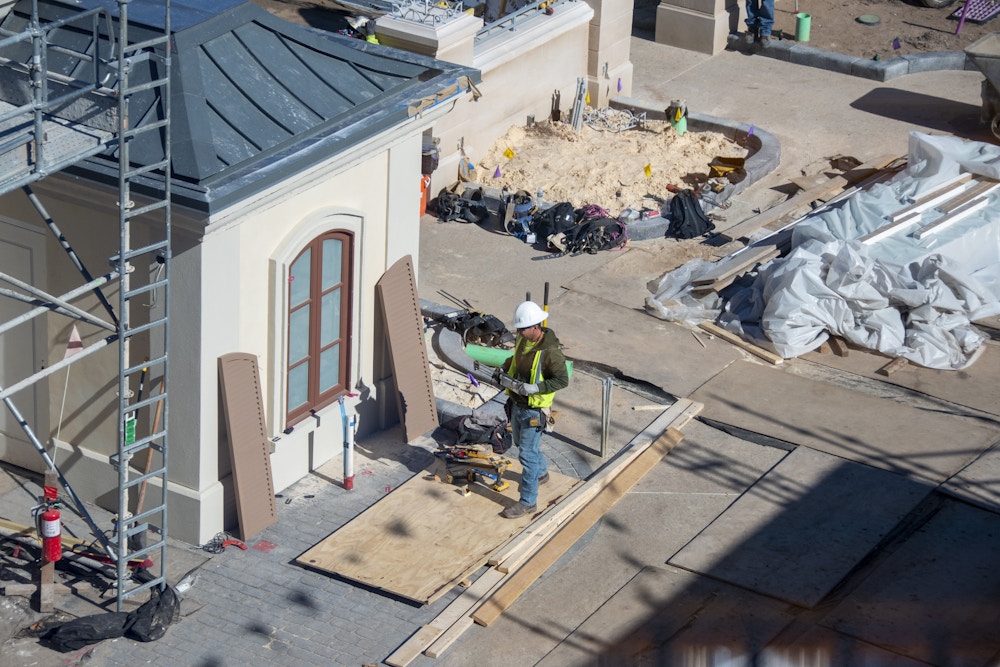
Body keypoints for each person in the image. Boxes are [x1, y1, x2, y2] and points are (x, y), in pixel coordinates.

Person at [494, 301, 570, 519]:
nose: (518, 332)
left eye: (522, 328)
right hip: (517, 403)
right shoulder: (523, 340)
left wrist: (537, 387)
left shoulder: (551, 352)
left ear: (535, 327)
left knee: (526, 454)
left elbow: (562, 380)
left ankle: (528, 502)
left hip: (533, 410)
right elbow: (516, 359)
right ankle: (542, 473)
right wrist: (504, 369)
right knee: (523, 444)